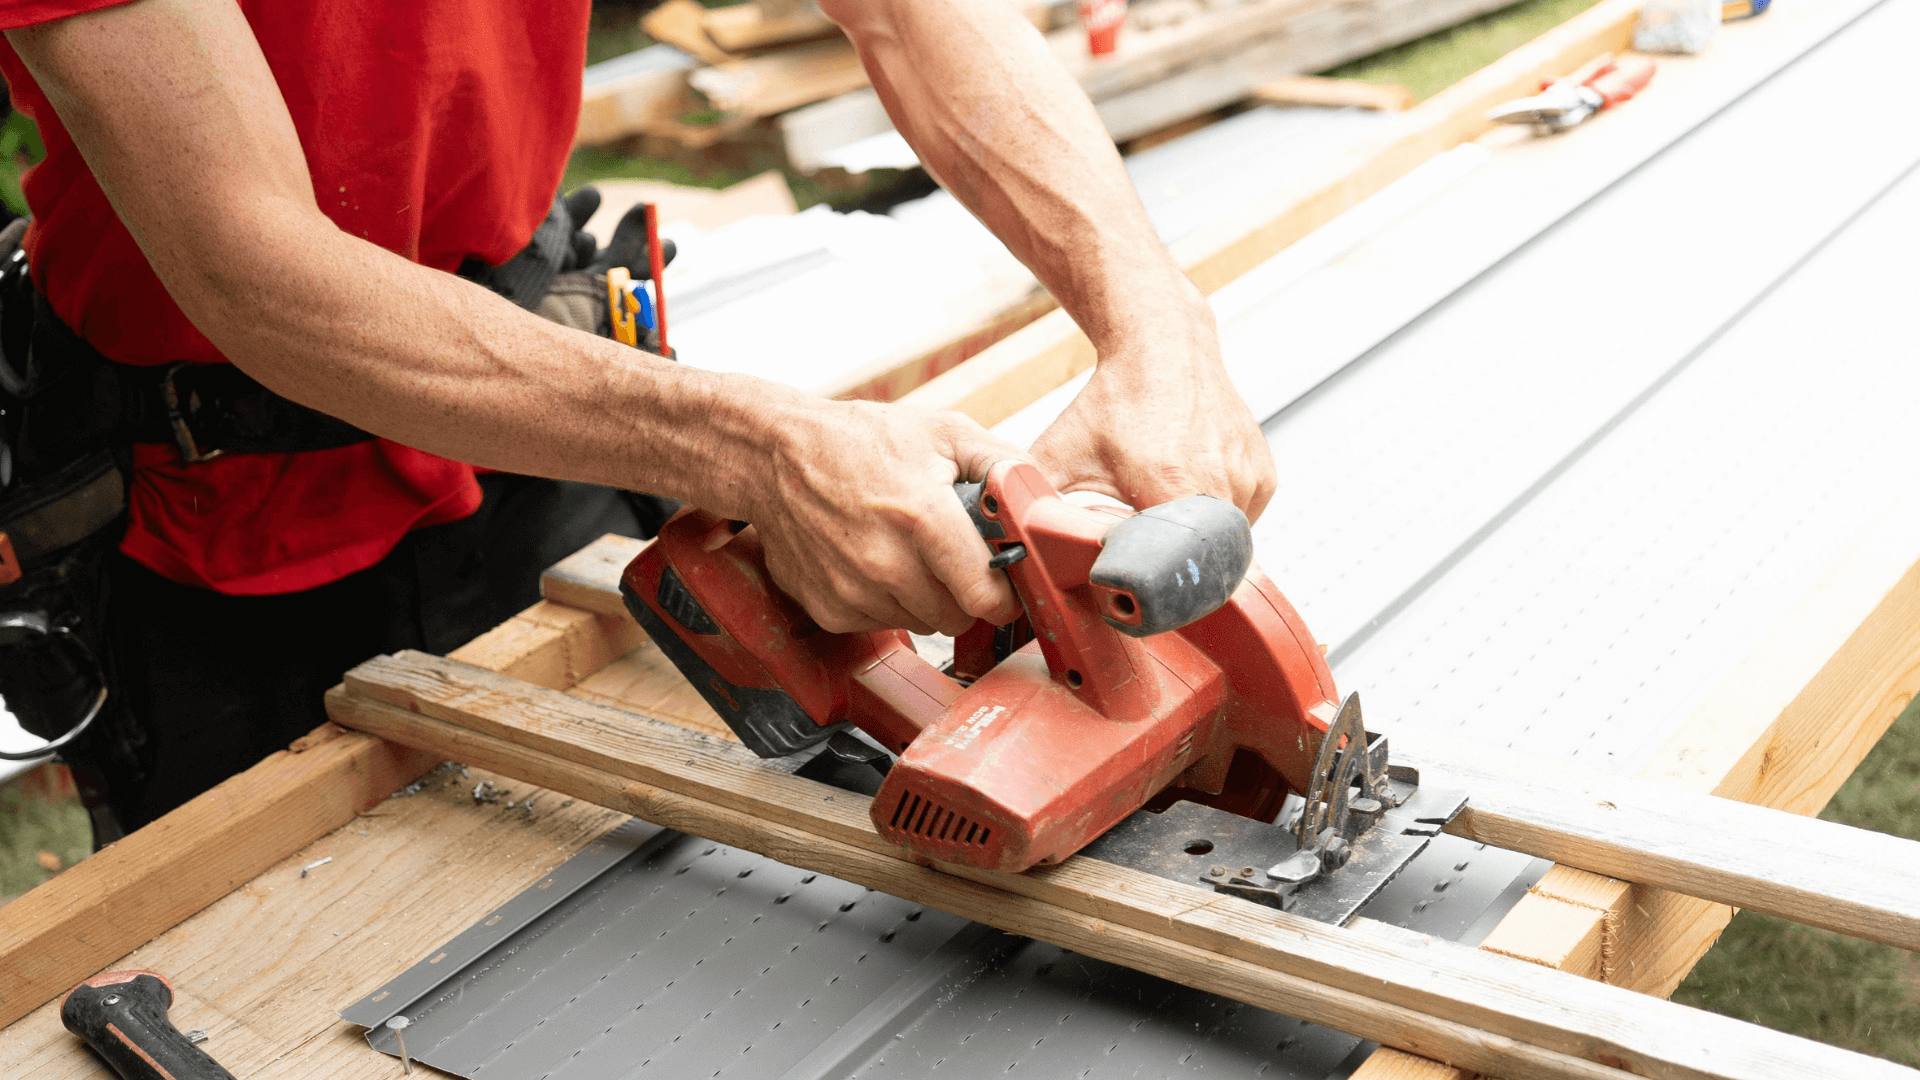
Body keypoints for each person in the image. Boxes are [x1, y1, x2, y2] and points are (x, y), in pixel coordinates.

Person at [0, 0, 1275, 844]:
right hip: (222, 514)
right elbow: (247, 262)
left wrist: (1156, 321)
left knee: (650, 864)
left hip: (536, 394)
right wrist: (762, 446)